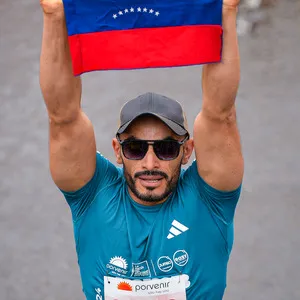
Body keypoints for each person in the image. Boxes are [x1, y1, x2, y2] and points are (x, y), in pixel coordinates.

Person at [39, 0, 244, 299]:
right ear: (117, 151)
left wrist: (226, 12)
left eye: (166, 148)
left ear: (187, 152)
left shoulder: (209, 199)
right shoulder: (93, 196)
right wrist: (54, 15)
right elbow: (62, 118)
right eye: (135, 148)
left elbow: (220, 114)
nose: (151, 162)